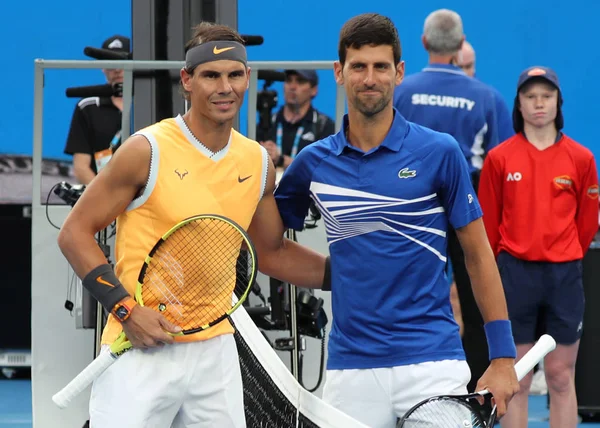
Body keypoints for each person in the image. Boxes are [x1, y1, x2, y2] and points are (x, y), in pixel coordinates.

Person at [57, 22, 328, 428]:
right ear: (187, 80)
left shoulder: (257, 163)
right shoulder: (145, 151)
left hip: (215, 353)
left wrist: (349, 275)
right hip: (140, 347)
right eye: (210, 76)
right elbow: (73, 234)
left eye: (235, 74)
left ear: (247, 78)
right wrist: (127, 310)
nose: (225, 87)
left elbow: (272, 252)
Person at [273, 13, 519, 428]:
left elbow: (478, 256)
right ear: (339, 72)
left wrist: (502, 356)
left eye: (381, 66)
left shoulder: (440, 153)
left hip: (433, 363)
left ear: (399, 72)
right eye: (359, 66)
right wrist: (343, 273)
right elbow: (267, 249)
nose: (370, 78)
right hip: (349, 372)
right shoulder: (313, 163)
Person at [478, 66, 599, 428]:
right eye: (530, 96)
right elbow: (488, 222)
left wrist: (564, 251)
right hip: (516, 275)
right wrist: (511, 257)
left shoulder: (581, 158)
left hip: (564, 277)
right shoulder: (500, 158)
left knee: (561, 376)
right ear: (519, 104)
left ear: (558, 102)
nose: (539, 103)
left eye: (546, 96)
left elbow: (588, 221)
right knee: (518, 378)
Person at [393, 9, 504, 393]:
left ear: (424, 43)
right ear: (460, 46)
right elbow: (502, 163)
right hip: (467, 213)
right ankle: (476, 394)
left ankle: (413, 387)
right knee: (475, 307)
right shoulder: (487, 97)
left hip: (410, 214)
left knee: (409, 301)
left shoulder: (401, 92)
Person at [64, 35, 129, 185]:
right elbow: (81, 167)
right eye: (111, 64)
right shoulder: (88, 107)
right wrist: (104, 200)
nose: (117, 70)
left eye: (122, 62)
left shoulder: (151, 102)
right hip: (104, 199)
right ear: (102, 68)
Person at [257, 69, 335, 169]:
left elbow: (324, 168)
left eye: (300, 81)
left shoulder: (324, 126)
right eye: (288, 80)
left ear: (314, 90)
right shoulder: (267, 123)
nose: (292, 87)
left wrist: (281, 160)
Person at [455, 40, 514, 142]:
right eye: (459, 67)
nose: (464, 72)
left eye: (468, 66)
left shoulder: (492, 98)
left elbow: (507, 144)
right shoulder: (433, 96)